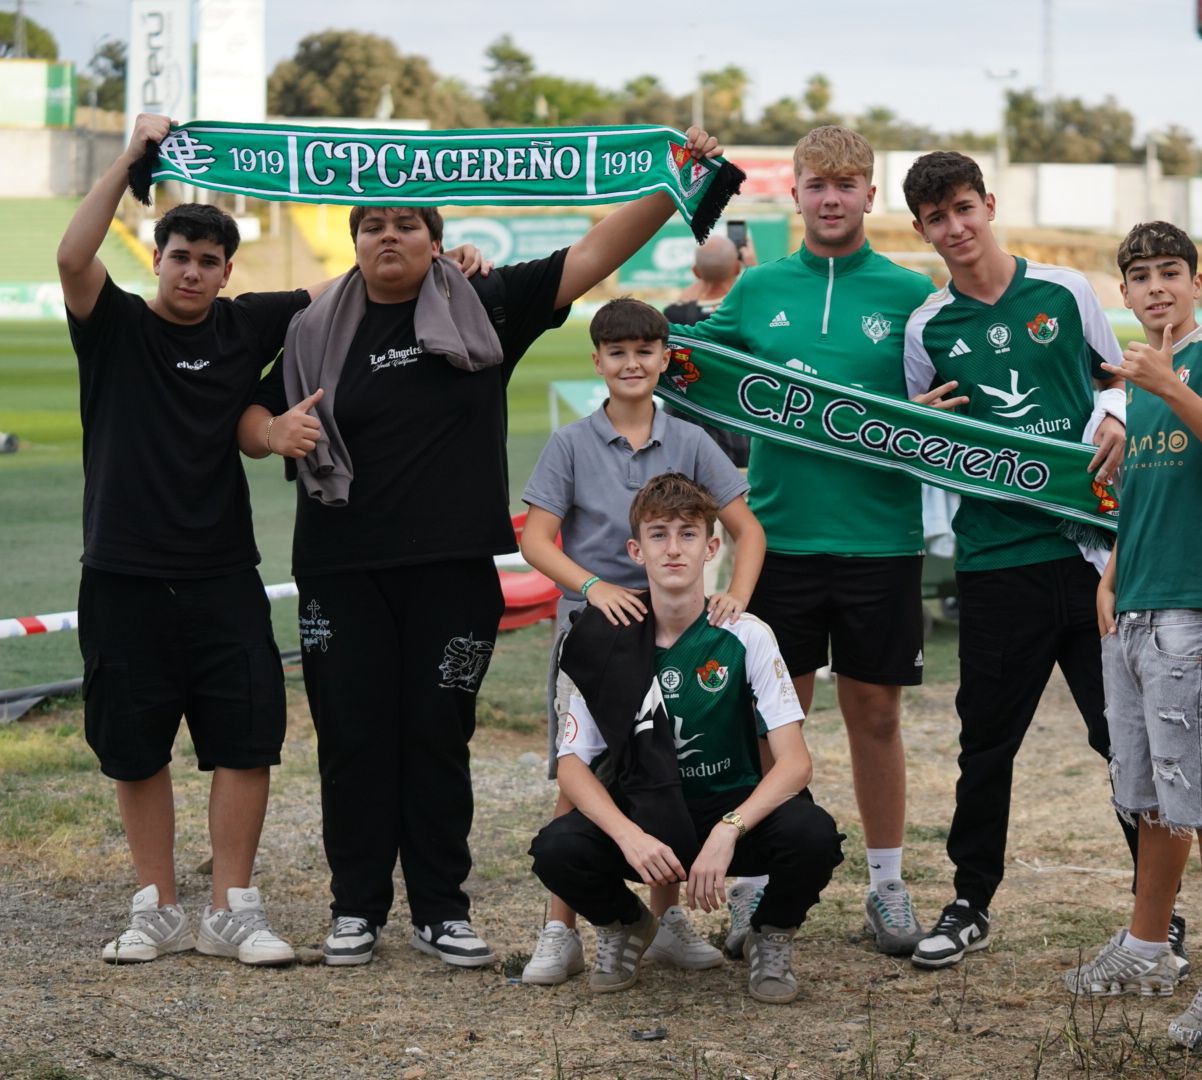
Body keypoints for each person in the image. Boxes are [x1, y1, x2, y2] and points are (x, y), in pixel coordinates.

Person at [239, 127, 724, 969]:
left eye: (406, 223)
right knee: (353, 738)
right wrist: (272, 430)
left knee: (435, 733)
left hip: (452, 571)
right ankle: (355, 909)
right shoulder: (315, 325)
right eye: (371, 225)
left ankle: (440, 909)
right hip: (339, 569)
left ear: (435, 240)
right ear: (354, 241)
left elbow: (595, 249)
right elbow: (240, 412)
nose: (388, 235)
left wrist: (675, 175)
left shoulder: (485, 304)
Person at [673, 125, 936, 956]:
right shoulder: (757, 292)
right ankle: (757, 891)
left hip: (882, 539)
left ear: (868, 195)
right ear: (793, 194)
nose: (831, 198)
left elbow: (947, 399)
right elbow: (678, 361)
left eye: (846, 184)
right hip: (778, 541)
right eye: (817, 184)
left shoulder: (910, 293)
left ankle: (887, 886)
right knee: (772, 723)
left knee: (877, 716)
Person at [57, 113, 305, 967]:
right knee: (134, 745)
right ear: (155, 259)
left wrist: (450, 264)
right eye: (179, 256)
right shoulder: (115, 325)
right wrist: (132, 153)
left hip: (223, 572)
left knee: (246, 738)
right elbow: (69, 257)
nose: (192, 270)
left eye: (208, 260)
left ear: (227, 271)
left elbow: (352, 293)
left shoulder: (244, 325)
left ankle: (233, 909)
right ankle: (156, 906)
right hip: (121, 573)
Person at [897, 151, 1146, 970]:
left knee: (1122, 737)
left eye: (965, 207)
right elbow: (923, 446)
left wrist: (1113, 410)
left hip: (1087, 556)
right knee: (986, 743)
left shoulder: (1067, 290)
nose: (956, 227)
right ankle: (970, 900)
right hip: (996, 558)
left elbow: (1121, 379)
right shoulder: (926, 326)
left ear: (989, 204)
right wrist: (922, 425)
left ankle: (1156, 911)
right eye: (937, 218)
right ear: (922, 230)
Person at [516, 297, 764, 985]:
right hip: (594, 637)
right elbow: (537, 539)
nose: (631, 362)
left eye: (644, 351)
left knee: (671, 772)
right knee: (578, 775)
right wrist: (594, 588)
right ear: (597, 361)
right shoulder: (570, 442)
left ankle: (670, 919)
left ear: (664, 359)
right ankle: (558, 930)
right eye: (617, 351)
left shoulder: (689, 440)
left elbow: (749, 529)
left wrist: (734, 598)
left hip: (678, 633)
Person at [529, 473, 842, 1003]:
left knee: (813, 836)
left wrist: (729, 828)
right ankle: (627, 924)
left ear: (711, 547)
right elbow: (572, 766)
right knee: (556, 850)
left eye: (688, 534)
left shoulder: (747, 634)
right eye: (658, 534)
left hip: (728, 811)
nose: (673, 548)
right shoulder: (603, 638)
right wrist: (629, 835)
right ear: (636, 549)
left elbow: (794, 765)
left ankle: (769, 934)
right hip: (646, 815)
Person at [1066, 221, 1202, 1050]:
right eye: (1139, 276)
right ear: (1126, 292)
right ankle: (1148, 947)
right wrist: (1110, 575)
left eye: (1170, 272)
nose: (1155, 288)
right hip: (1133, 603)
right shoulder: (1139, 381)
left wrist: (1170, 386)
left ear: (1198, 281)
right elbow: (1141, 498)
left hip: (1191, 605)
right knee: (1146, 800)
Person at [663, 234, 751, 468]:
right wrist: (751, 267)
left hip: (685, 447)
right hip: (740, 443)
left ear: (695, 272)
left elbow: (685, 303)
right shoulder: (748, 314)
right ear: (736, 266)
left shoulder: (674, 315)